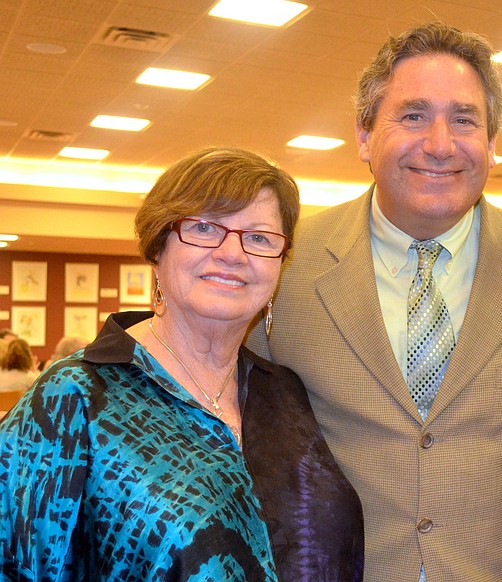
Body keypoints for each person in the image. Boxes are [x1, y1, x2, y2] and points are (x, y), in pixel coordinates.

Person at [247, 22, 502, 581]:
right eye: (412, 116)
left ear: (492, 143)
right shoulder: (285, 262)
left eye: (465, 120)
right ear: (364, 136)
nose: (440, 144)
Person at [0, 147, 364, 580]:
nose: (232, 253)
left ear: (280, 265)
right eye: (205, 228)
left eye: (259, 238)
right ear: (158, 247)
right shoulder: (76, 397)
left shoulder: (286, 393)